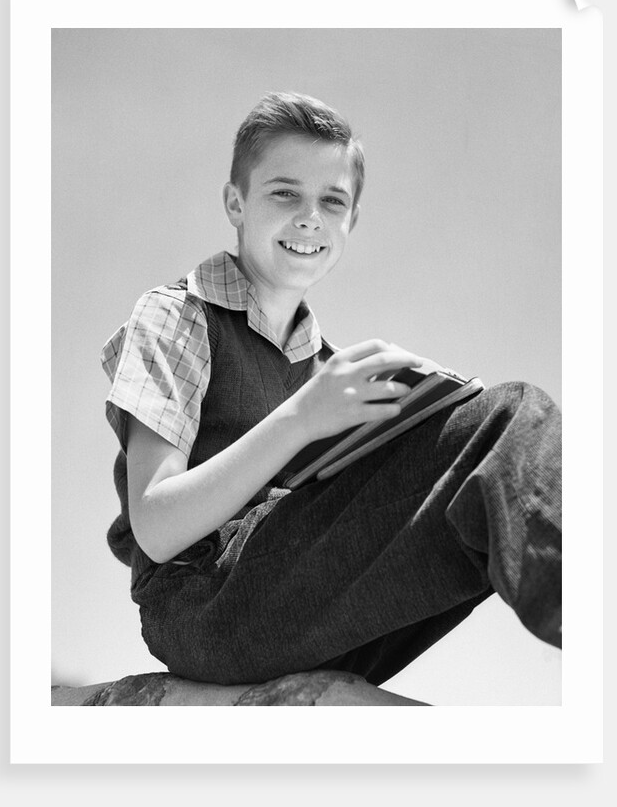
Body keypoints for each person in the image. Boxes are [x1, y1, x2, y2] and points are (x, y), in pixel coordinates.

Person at [101, 91, 562, 690]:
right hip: (204, 607)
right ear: (235, 203)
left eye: (332, 201)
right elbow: (157, 529)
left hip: (309, 609)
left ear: (352, 221)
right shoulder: (179, 317)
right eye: (285, 193)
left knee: (481, 486)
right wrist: (302, 415)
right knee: (510, 418)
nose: (309, 217)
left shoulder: (326, 365)